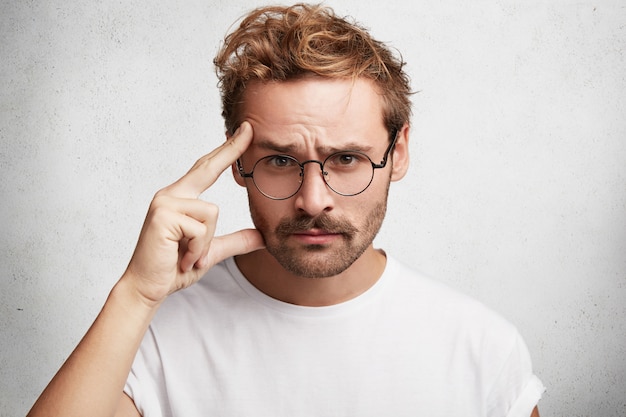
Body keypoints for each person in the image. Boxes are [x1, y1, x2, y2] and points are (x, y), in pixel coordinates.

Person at [27, 3, 545, 417]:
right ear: (235, 160)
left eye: (346, 158)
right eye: (279, 159)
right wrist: (136, 295)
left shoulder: (481, 348)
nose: (313, 200)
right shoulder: (152, 339)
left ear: (399, 152)